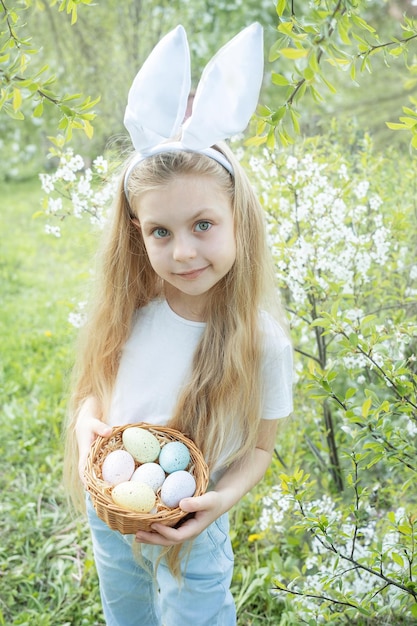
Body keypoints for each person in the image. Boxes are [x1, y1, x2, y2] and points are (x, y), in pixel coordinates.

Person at [64, 23, 293, 626]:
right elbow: (95, 392)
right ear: (136, 233)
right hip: (109, 513)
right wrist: (88, 425)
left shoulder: (261, 341)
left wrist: (219, 501)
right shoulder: (130, 309)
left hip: (193, 520)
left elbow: (261, 446)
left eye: (204, 226)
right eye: (160, 232)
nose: (184, 252)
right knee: (127, 614)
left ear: (238, 218)